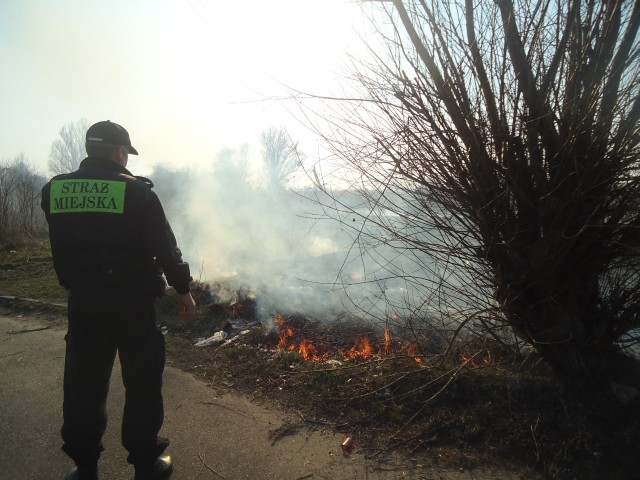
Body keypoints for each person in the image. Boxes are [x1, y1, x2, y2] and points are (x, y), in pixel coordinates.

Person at [41, 120, 196, 480]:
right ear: (119, 151)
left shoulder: (55, 191)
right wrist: (183, 290)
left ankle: (84, 467)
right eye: (126, 152)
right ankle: (146, 464)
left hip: (84, 301)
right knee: (141, 383)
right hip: (132, 303)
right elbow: (165, 249)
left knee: (83, 386)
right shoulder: (137, 193)